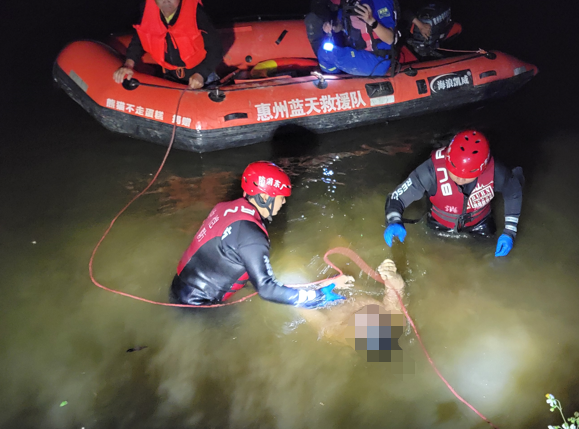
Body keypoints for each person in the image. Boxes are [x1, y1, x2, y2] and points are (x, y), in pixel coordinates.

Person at [170, 162, 351, 307]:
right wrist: (318, 296)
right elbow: (267, 290)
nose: (283, 203)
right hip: (198, 303)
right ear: (264, 198)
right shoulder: (252, 236)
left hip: (179, 286)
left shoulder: (224, 207)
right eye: (281, 197)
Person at [383, 130, 524, 257]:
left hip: (480, 224)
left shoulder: (495, 171)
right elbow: (397, 197)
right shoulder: (430, 171)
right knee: (433, 257)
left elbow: (513, 191)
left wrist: (509, 232)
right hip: (439, 224)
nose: (460, 180)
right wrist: (394, 220)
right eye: (455, 174)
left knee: (490, 258)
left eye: (467, 177)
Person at [113, 0, 224, 90]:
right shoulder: (148, 11)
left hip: (200, 77)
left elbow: (216, 49)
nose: (166, 1)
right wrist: (128, 65)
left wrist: (201, 74)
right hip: (169, 77)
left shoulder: (196, 13)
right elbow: (139, 40)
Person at [297, 260, 406, 360]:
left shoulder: (334, 330)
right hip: (351, 283)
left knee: (293, 266)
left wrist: (322, 287)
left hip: (327, 297)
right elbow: (396, 291)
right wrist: (391, 275)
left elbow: (299, 304)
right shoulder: (392, 320)